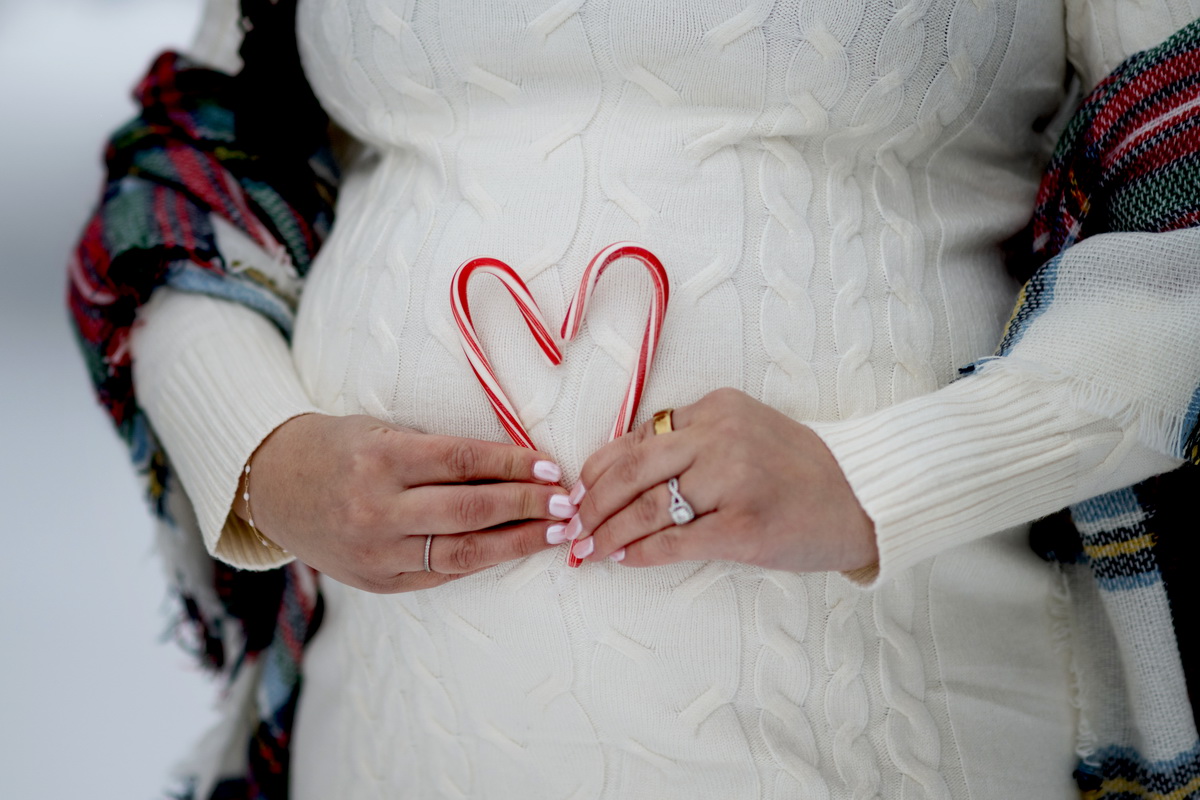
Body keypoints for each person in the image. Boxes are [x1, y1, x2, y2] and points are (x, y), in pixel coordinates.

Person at [87, 0, 1200, 796]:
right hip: (391, 724)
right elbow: (193, 166)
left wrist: (878, 480)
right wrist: (263, 457)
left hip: (882, 709)